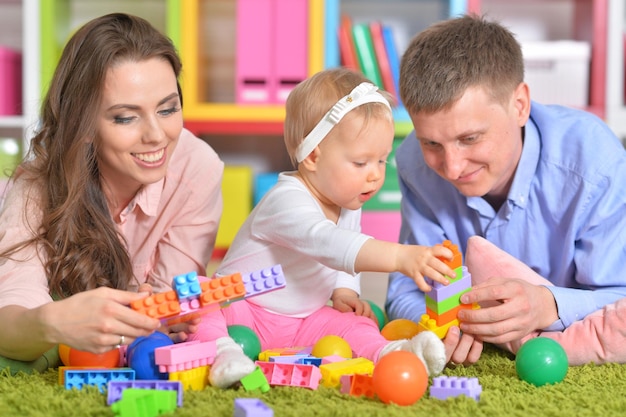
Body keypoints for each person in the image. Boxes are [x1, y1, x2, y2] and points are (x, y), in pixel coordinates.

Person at [187, 67, 457, 388]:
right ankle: (223, 353)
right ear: (314, 156)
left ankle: (392, 351)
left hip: (303, 320)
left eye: (382, 160)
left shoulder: (347, 199)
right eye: (361, 162)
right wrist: (400, 258)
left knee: (353, 324)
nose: (374, 175)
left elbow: (345, 248)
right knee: (198, 299)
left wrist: (344, 290)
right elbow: (328, 243)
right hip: (244, 311)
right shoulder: (285, 202)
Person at [386, 14, 626, 366]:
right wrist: (444, 327)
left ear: (519, 106)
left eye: (469, 139)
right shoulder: (414, 164)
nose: (451, 167)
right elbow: (406, 289)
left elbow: (620, 297)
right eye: (432, 142)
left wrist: (549, 304)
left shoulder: (595, 165)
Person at [0, 13, 224, 374]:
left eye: (168, 109)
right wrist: (55, 322)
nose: (156, 135)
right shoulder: (38, 186)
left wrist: (159, 314)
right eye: (125, 117)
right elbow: (10, 319)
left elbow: (169, 314)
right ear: (83, 125)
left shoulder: (197, 169)